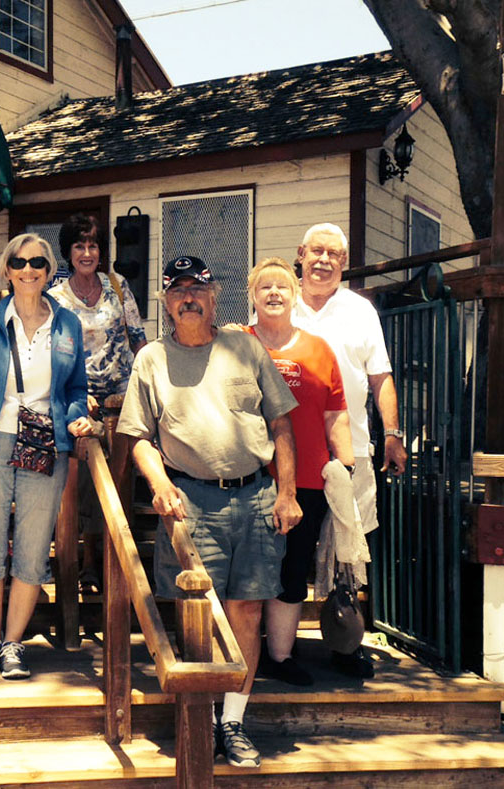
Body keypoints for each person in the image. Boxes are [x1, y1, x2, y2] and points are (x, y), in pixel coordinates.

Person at [117, 255, 301, 768]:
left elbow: (282, 423)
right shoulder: (151, 359)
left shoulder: (245, 347)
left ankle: (234, 723)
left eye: (197, 288)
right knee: (196, 615)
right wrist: (159, 483)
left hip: (257, 497)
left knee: (247, 610)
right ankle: (198, 718)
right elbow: (137, 437)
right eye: (177, 291)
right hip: (192, 501)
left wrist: (287, 494)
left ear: (215, 294)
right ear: (167, 302)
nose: (188, 298)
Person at [0, 233, 94, 681]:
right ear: (7, 271)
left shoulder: (67, 324)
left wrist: (78, 416)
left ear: (50, 273)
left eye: (38, 263)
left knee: (31, 552)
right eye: (19, 262)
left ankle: (13, 644)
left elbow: (76, 388)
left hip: (45, 445)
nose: (29, 270)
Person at [291, 223, 408, 678]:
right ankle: (275, 647)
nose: (323, 261)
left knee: (348, 557)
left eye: (333, 255)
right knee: (287, 550)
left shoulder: (361, 311)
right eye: (316, 252)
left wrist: (393, 433)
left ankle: (343, 647)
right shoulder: (279, 302)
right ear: (300, 255)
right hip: (290, 454)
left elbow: (380, 377)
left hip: (353, 450)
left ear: (344, 263)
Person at [235, 258, 355, 686]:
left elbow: (335, 412)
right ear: (252, 295)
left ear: (294, 294)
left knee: (292, 567)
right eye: (264, 287)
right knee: (247, 571)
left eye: (282, 287)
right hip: (248, 477)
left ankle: (280, 656)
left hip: (307, 477)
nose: (273, 294)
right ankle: (240, 653)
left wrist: (346, 464)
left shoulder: (318, 349)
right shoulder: (234, 342)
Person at [46, 213, 146, 594]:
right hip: (80, 399)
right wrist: (74, 391)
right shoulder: (55, 297)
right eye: (79, 245)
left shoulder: (117, 287)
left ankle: (120, 562)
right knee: (87, 479)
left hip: (122, 398)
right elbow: (51, 353)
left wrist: (146, 384)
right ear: (68, 252)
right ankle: (88, 562)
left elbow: (137, 338)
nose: (87, 252)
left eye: (93, 245)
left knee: (121, 475)